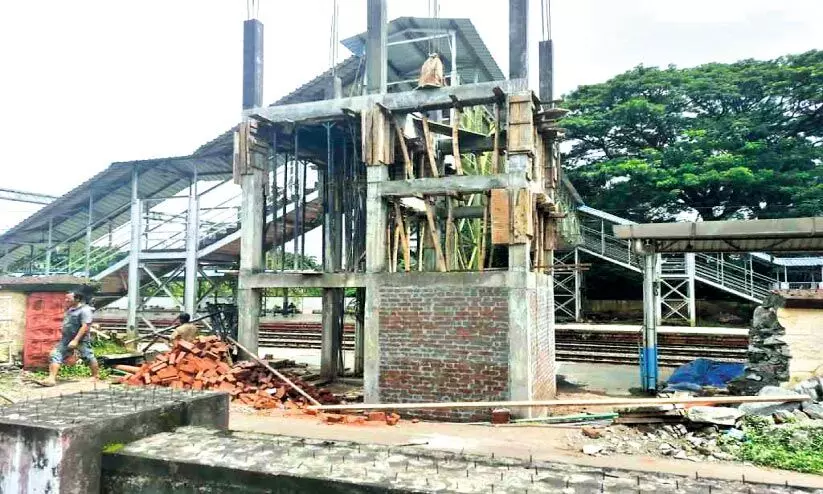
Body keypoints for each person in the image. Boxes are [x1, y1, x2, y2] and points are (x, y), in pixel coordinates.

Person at [44, 291, 98, 386]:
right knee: (55, 354)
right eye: (66, 298)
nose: (66, 300)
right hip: (66, 339)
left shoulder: (85, 310)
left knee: (88, 356)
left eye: (68, 298)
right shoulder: (71, 309)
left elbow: (85, 326)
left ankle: (95, 376)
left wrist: (76, 340)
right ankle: (51, 379)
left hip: (80, 339)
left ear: (77, 299)